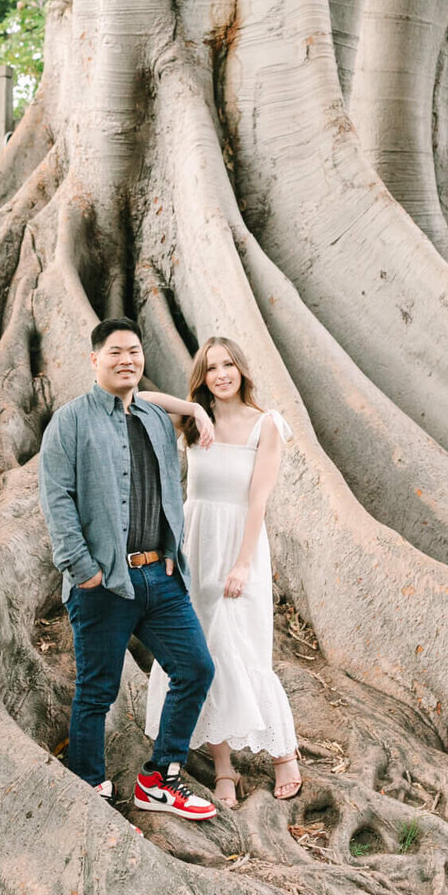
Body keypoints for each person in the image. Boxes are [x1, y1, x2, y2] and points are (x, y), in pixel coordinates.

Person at [38, 317, 219, 820]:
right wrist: (83, 569)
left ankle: (159, 779)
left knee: (196, 669)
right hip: (102, 583)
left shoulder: (156, 419)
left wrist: (169, 551)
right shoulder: (70, 421)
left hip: (159, 578)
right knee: (97, 690)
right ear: (94, 359)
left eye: (134, 352)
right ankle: (89, 788)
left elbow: (170, 488)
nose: (126, 360)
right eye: (115, 352)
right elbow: (57, 498)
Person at [142, 336, 301, 809]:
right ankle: (224, 767)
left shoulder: (266, 424)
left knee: (244, 648)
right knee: (203, 651)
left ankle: (283, 752)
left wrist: (243, 563)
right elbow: (137, 399)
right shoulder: (191, 422)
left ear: (242, 369)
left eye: (229, 364)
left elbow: (259, 499)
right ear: (203, 376)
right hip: (196, 544)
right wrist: (193, 411)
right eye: (211, 368)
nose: (222, 374)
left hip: (240, 544)